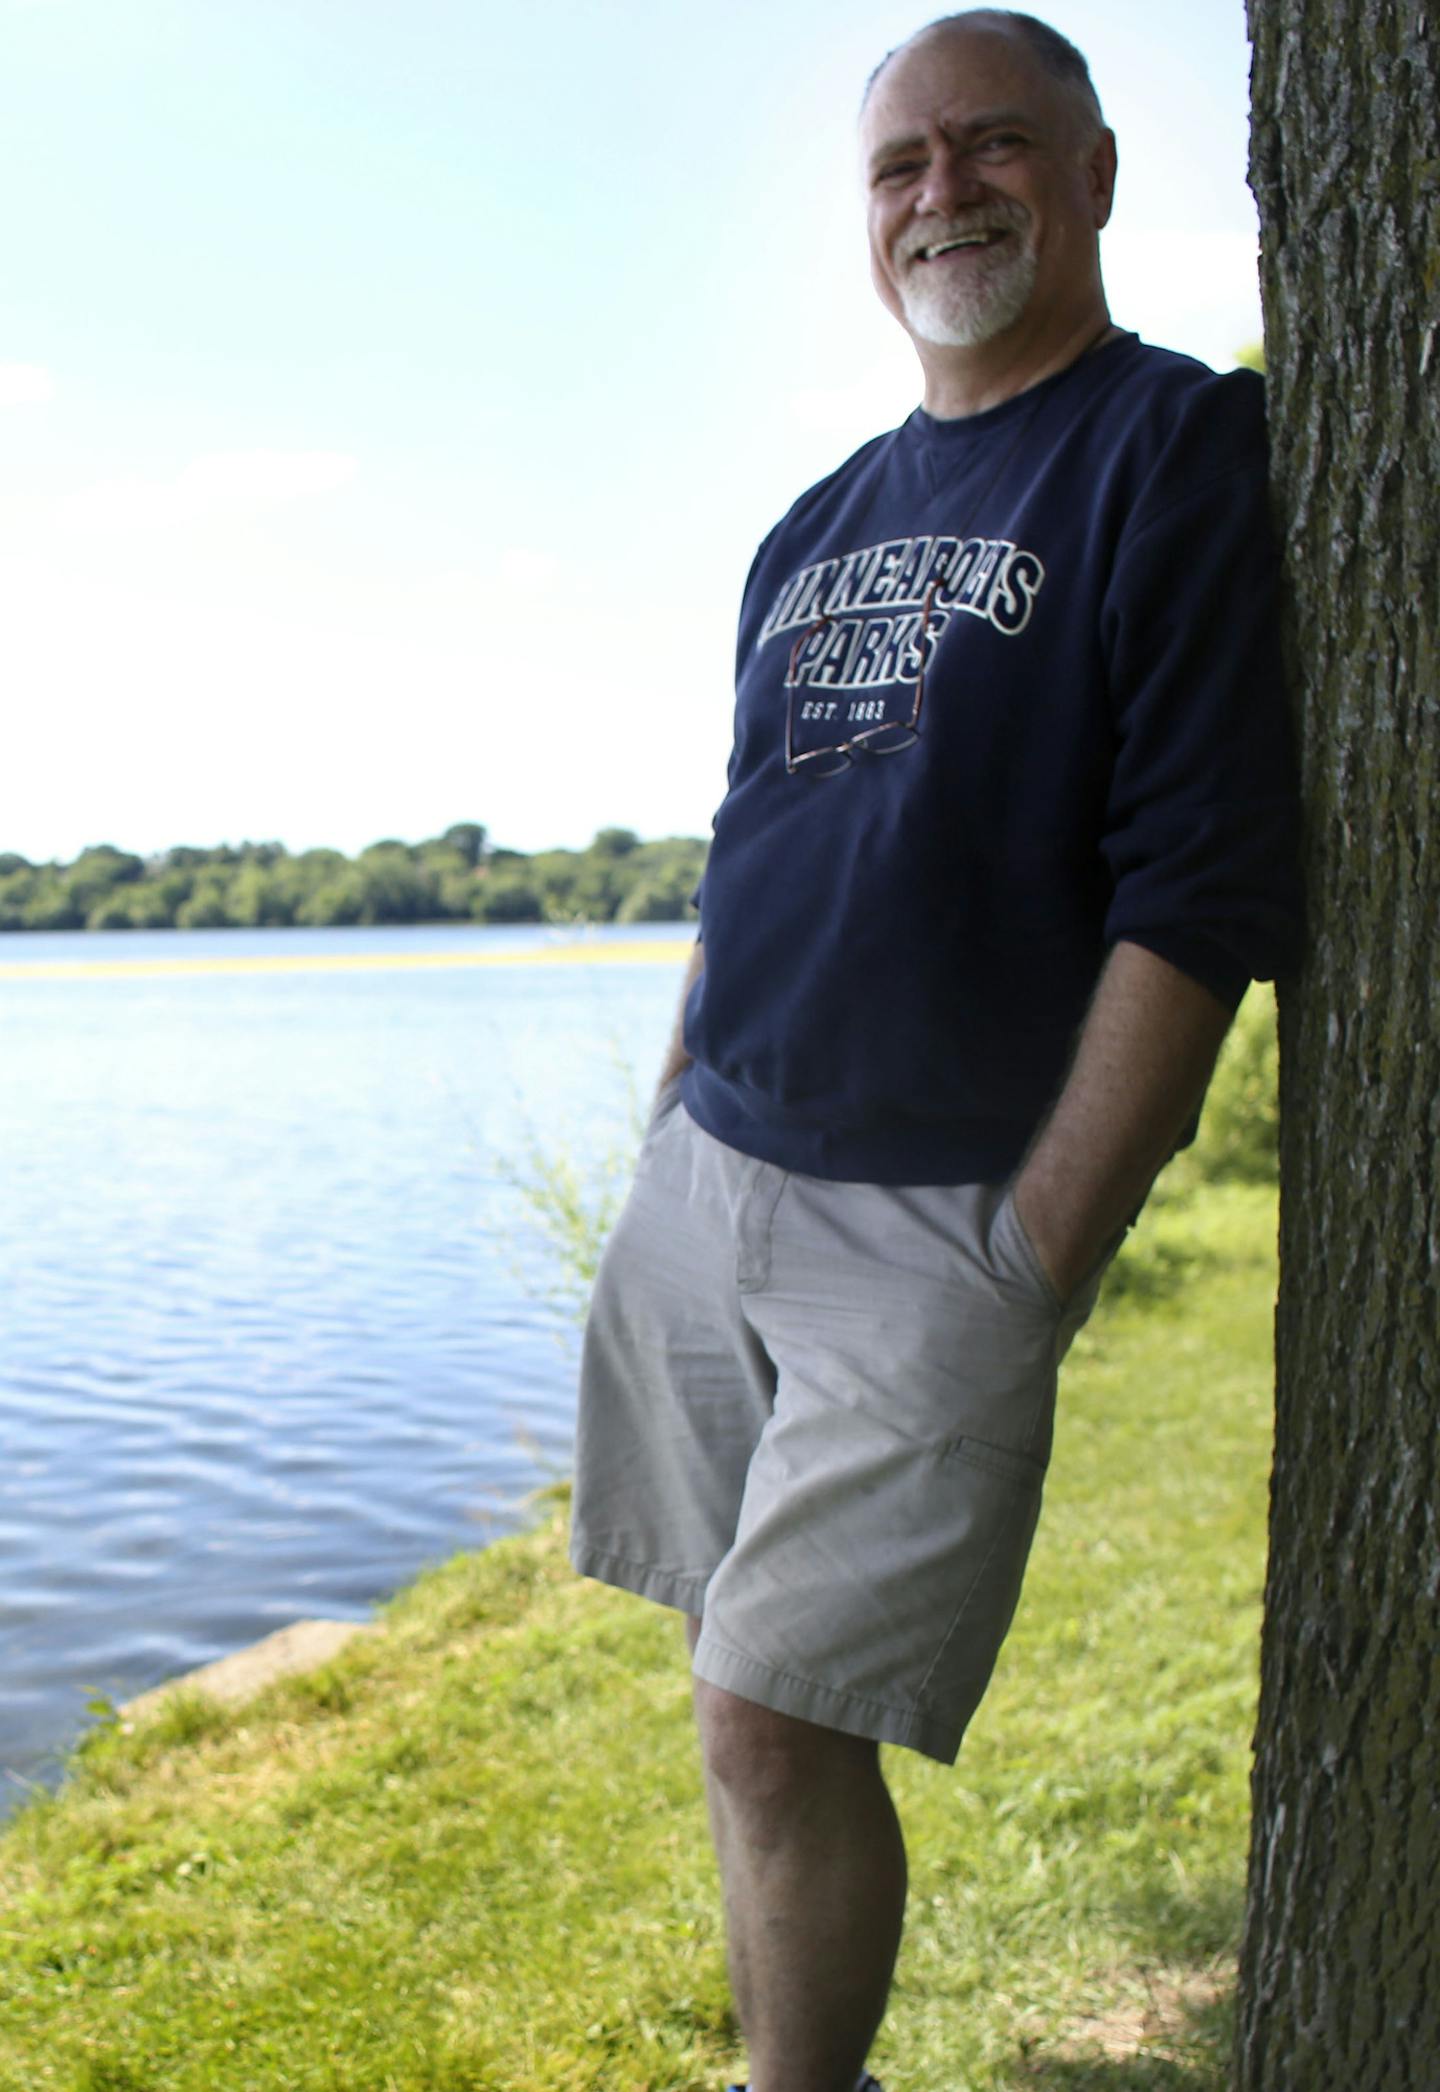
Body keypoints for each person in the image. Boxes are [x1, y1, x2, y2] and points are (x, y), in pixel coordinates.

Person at [569, 12, 1302, 2091]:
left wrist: (1046, 1242)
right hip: (718, 1170)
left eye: (992, 148)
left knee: (770, 1714)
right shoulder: (813, 520)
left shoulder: (1173, 450)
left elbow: (1201, 887)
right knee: (736, 1678)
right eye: (900, 163)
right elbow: (755, 839)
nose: (940, 192)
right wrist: (666, 1116)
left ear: (1091, 176)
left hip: (941, 1216)